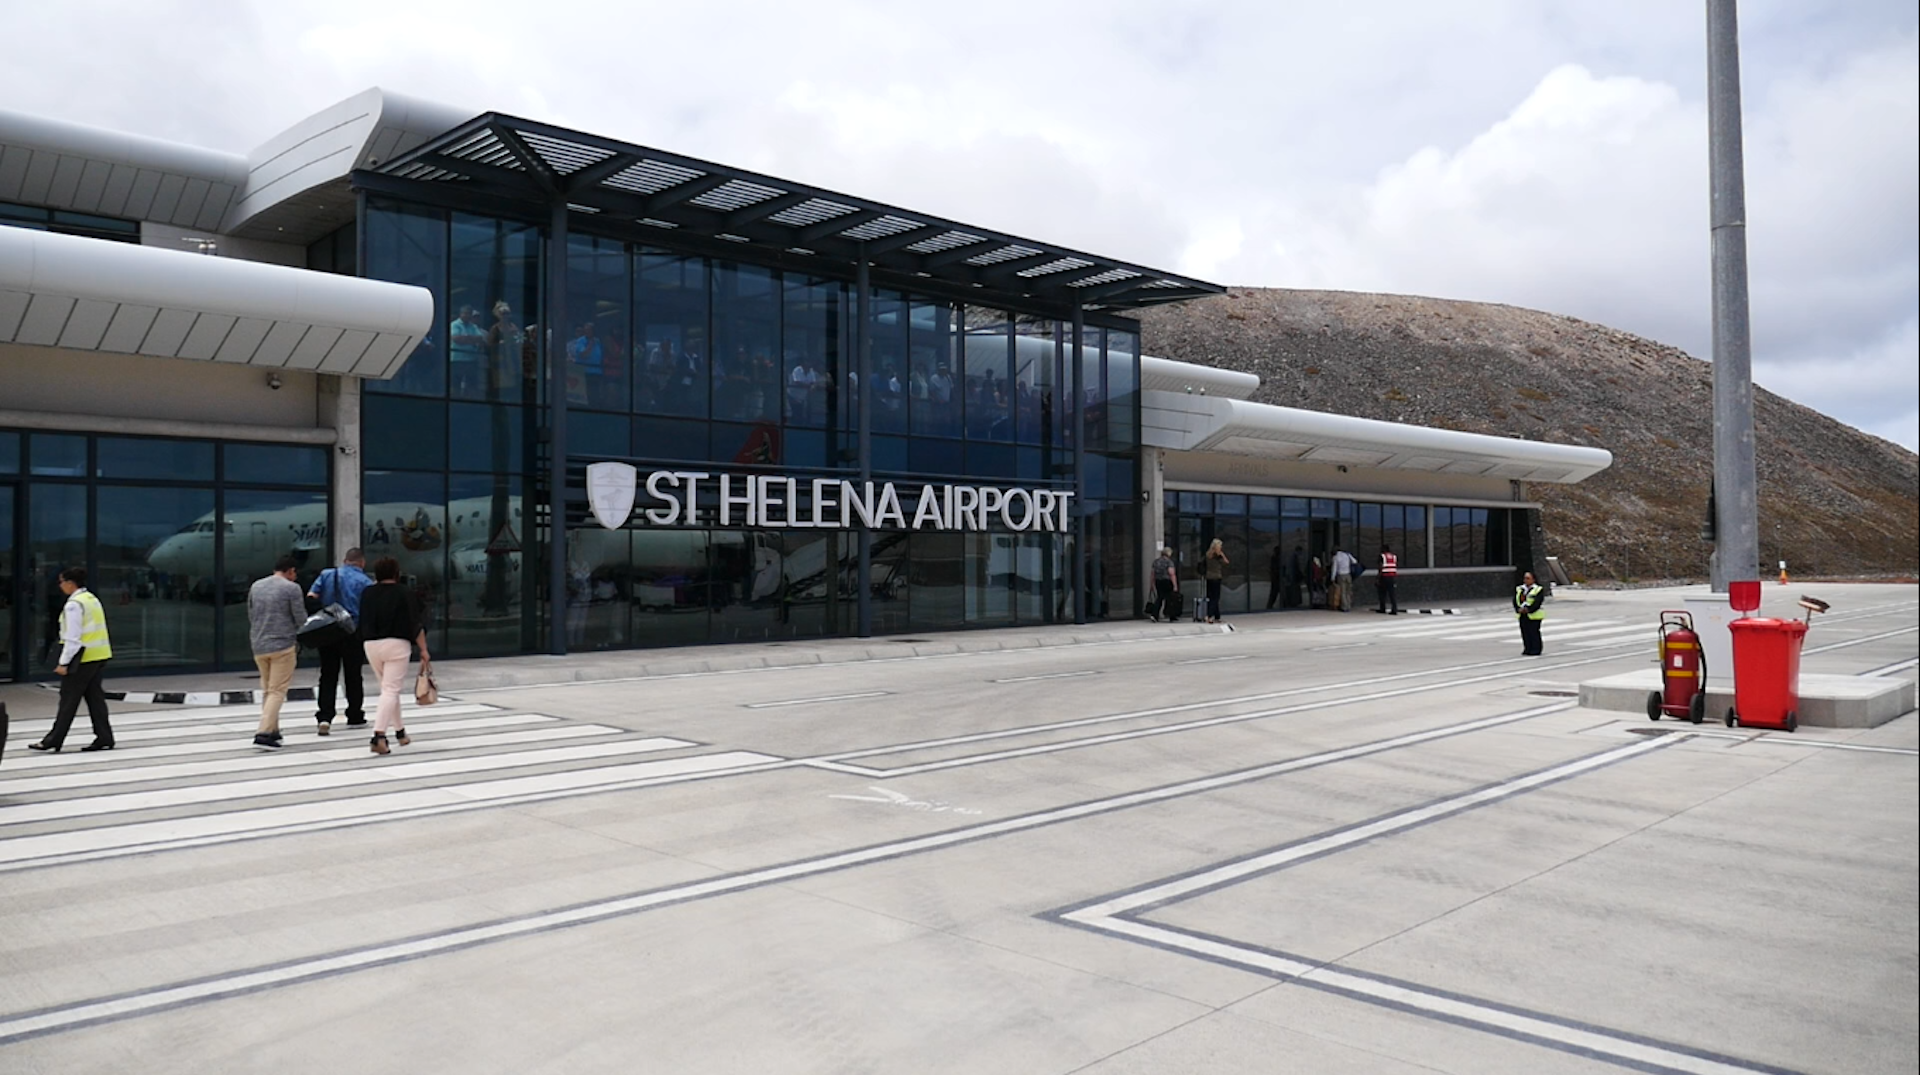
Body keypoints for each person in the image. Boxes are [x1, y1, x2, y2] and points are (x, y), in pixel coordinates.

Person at [29, 567, 116, 753]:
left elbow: (73, 638)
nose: (60, 586)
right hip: (98, 655)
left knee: (68, 699)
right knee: (95, 699)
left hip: (82, 659)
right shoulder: (91, 599)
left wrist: (63, 663)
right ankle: (104, 737)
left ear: (70, 583)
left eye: (61, 582)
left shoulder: (73, 605)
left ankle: (53, 740)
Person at [360, 556, 431, 755]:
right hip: (397, 644)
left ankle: (400, 732)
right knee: (391, 690)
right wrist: (424, 650)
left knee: (388, 690)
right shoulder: (404, 593)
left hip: (371, 644)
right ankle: (379, 735)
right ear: (396, 573)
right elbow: (415, 624)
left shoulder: (367, 593)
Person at [308, 547, 373, 735]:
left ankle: (325, 716)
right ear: (361, 562)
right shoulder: (365, 581)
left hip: (328, 631)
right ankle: (354, 714)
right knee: (353, 675)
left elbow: (312, 596)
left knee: (328, 674)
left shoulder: (327, 574)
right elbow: (368, 608)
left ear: (345, 560)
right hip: (352, 632)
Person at [247, 555, 308, 750]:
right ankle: (263, 732)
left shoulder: (256, 586)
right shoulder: (291, 588)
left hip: (258, 644)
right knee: (277, 690)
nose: (295, 577)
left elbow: (251, 614)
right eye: (294, 573)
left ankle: (273, 730)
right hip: (282, 645)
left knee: (268, 690)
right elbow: (300, 618)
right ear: (290, 570)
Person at [1514, 570, 1547, 656]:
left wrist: (1529, 609)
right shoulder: (1519, 589)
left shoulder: (1538, 589)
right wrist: (1518, 609)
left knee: (1534, 632)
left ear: (1533, 579)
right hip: (1522, 614)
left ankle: (1536, 649)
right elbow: (1515, 600)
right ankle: (1527, 648)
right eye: (1525, 578)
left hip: (1534, 615)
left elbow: (1537, 602)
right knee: (1525, 632)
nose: (1526, 580)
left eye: (1528, 578)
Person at [1146, 546, 1179, 622]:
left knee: (1159, 598)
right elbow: (1172, 574)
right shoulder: (1169, 562)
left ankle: (1154, 615)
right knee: (1170, 599)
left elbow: (1153, 574)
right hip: (1167, 581)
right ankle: (1171, 615)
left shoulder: (1156, 561)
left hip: (1158, 581)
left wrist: (1152, 583)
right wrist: (1175, 585)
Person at [1202, 539, 1228, 623]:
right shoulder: (1218, 555)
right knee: (1216, 598)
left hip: (1209, 577)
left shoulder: (1208, 554)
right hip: (1216, 577)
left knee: (1210, 597)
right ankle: (1209, 616)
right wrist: (1223, 555)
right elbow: (1226, 562)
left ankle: (1217, 615)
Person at [1376, 543, 1403, 614]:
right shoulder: (1394, 556)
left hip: (1384, 576)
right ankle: (1394, 609)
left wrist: (1378, 578)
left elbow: (1380, 567)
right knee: (1392, 594)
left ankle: (1382, 608)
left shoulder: (1382, 556)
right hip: (1392, 577)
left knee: (1382, 593)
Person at [1330, 547, 1355, 611]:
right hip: (1348, 574)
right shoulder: (1347, 554)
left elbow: (1334, 568)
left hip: (1341, 575)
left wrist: (1332, 578)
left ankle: (1344, 607)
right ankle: (1349, 605)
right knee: (1348, 591)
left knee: (1342, 592)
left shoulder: (1336, 557)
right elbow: (1355, 561)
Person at [1266, 542, 1284, 610]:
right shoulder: (1274, 558)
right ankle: (1270, 605)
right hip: (1275, 578)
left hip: (1276, 577)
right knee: (1274, 593)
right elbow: (1274, 568)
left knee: (1276, 593)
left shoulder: (1276, 558)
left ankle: (1272, 605)